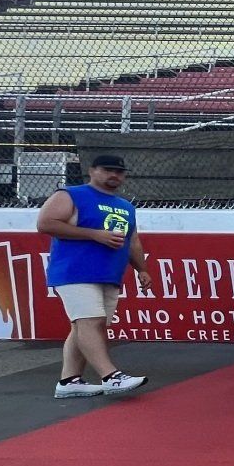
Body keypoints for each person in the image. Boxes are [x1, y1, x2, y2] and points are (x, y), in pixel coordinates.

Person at [37, 152, 149, 399]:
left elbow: (133, 241)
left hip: (108, 274)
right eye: (107, 170)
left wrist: (142, 269)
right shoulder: (71, 194)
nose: (114, 175)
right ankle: (111, 376)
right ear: (92, 170)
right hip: (75, 270)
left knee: (86, 326)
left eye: (119, 171)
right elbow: (46, 223)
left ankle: (69, 381)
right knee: (91, 322)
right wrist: (95, 234)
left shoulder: (125, 206)